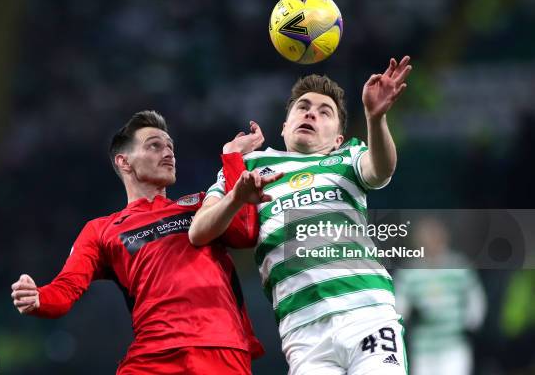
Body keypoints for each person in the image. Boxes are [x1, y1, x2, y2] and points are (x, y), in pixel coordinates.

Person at [189, 57, 412, 375]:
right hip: (302, 331)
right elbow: (198, 231)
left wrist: (376, 119)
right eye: (303, 107)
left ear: (337, 138)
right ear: (284, 126)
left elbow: (381, 171)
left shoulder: (346, 157)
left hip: (367, 311)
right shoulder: (249, 166)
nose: (311, 113)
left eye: (325, 113)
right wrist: (237, 197)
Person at [10, 110, 266, 374]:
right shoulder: (101, 230)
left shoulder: (201, 205)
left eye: (170, 147)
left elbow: (244, 232)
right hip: (152, 356)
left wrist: (233, 155)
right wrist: (39, 298)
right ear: (124, 161)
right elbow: (65, 290)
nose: (168, 153)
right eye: (154, 146)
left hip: (219, 349)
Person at [394, 217, 486, 375]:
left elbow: (475, 297)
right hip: (423, 348)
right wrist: (406, 316)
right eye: (426, 237)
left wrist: (471, 323)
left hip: (454, 345)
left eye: (435, 236)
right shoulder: (409, 272)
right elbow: (398, 306)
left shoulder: (458, 266)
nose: (431, 242)